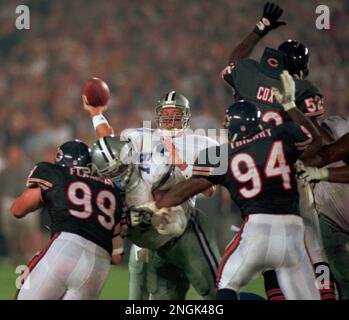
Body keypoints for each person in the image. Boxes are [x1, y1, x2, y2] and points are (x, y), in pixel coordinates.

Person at [137, 77, 321, 300]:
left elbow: (189, 189)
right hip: (293, 229)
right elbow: (314, 140)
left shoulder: (223, 154)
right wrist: (291, 107)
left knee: (224, 287)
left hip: (256, 229)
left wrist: (152, 206)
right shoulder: (279, 137)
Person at [220, 2, 333, 299]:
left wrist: (260, 28)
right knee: (310, 246)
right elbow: (316, 142)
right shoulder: (302, 89)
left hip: (248, 175)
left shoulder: (248, 75)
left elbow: (233, 63)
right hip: (286, 177)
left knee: (265, 245)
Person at [84, 91, 221, 300]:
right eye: (165, 113)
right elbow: (111, 148)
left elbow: (210, 190)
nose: (169, 118)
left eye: (175, 113)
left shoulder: (201, 143)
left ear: (186, 115)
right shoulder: (140, 136)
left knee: (214, 291)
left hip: (177, 225)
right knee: (138, 295)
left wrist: (183, 166)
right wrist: (96, 114)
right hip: (143, 229)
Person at [11, 140, 123, 300]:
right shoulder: (112, 190)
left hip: (65, 249)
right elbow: (117, 256)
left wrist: (47, 197)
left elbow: (17, 210)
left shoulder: (56, 173)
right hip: (99, 266)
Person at [297, 116, 349, 299]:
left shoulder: (337, 125)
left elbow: (330, 153)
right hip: (322, 211)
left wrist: (319, 172)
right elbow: (330, 152)